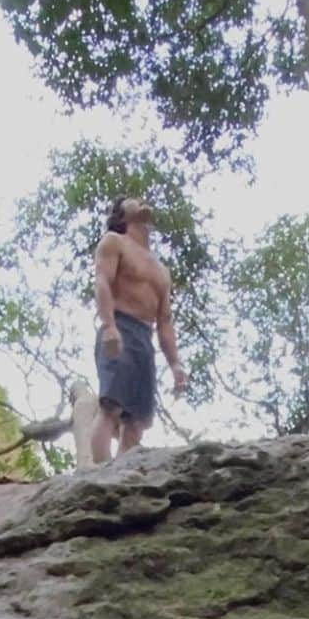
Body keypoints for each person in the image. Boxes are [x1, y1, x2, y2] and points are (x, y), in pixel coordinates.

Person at [91, 196, 187, 462]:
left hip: (145, 340)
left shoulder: (161, 270)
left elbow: (165, 321)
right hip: (120, 326)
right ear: (121, 216)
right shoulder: (114, 242)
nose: (142, 200)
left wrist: (175, 364)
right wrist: (109, 326)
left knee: (137, 422)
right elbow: (102, 282)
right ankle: (98, 476)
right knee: (110, 406)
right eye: (134, 200)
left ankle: (122, 480)